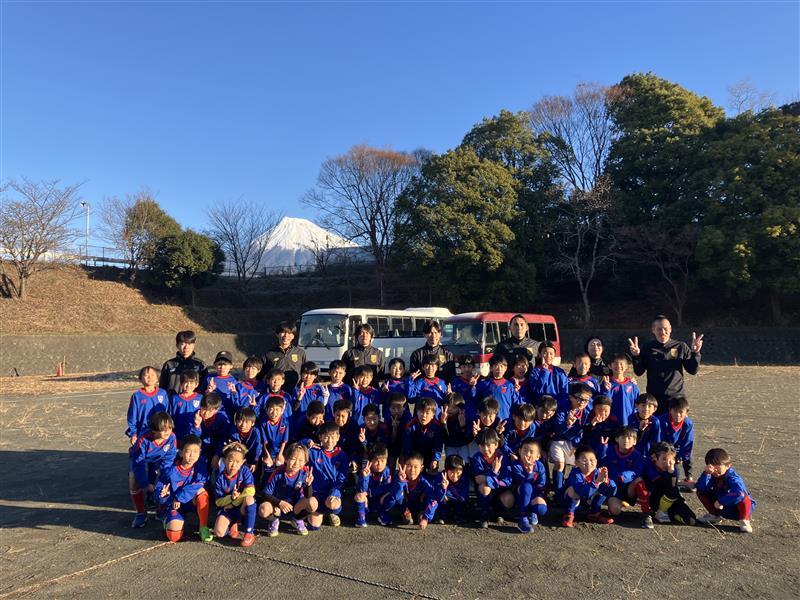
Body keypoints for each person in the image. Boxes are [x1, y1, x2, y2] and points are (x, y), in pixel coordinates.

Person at [628, 316, 703, 414]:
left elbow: (692, 370)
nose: (663, 332)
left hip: (676, 398)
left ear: (670, 329)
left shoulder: (680, 346)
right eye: (659, 329)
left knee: (676, 424)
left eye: (665, 329)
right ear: (653, 330)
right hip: (654, 399)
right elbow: (639, 372)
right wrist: (636, 356)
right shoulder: (647, 347)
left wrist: (695, 353)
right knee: (656, 424)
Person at [155, 434, 212, 543]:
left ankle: (203, 527)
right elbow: (159, 488)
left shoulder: (201, 465)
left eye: (196, 451)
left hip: (190, 501)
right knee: (174, 536)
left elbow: (198, 483)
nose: (192, 455)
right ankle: (166, 518)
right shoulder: (170, 469)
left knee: (201, 492)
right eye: (188, 451)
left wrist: (179, 498)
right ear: (181, 453)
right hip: (173, 504)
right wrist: (162, 495)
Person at [258, 443, 320, 536]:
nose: (296, 463)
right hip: (278, 507)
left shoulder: (304, 473)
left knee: (313, 502)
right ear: (286, 459)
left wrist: (308, 485)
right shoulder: (277, 473)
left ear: (305, 462)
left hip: (296, 506)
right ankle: (274, 520)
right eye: (293, 459)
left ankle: (297, 519)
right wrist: (280, 502)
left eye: (301, 460)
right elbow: (265, 494)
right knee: (263, 509)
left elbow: (308, 496)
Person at [129, 412, 177, 528]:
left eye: (169, 428)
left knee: (167, 479)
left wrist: (162, 479)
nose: (167, 431)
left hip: (160, 461)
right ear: (154, 430)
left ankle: (161, 510)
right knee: (133, 479)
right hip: (142, 460)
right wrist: (145, 484)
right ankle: (141, 513)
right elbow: (138, 463)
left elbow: (169, 460)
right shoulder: (143, 440)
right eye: (163, 429)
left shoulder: (172, 438)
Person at [599, 426, 653, 529]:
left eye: (629, 438)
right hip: (613, 488)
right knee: (615, 511)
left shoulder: (637, 455)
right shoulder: (609, 450)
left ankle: (646, 514)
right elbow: (599, 464)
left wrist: (624, 476)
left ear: (635, 441)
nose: (626, 440)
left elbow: (638, 471)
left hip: (629, 488)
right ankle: (608, 502)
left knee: (639, 481)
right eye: (623, 437)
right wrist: (601, 451)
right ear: (616, 439)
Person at [549, 382, 593, 499]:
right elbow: (557, 429)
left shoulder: (586, 411)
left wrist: (576, 445)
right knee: (560, 464)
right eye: (579, 398)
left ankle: (570, 492)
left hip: (573, 442)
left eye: (586, 400)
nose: (582, 402)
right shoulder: (563, 407)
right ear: (571, 397)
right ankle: (558, 495)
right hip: (558, 440)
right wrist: (567, 424)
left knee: (577, 466)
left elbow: (583, 431)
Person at [696, 448, 755, 533]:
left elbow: (738, 493)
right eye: (711, 465)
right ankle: (714, 516)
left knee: (743, 495)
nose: (714, 469)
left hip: (737, 509)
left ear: (728, 465)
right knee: (700, 492)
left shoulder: (733, 477)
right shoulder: (711, 475)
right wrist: (706, 474)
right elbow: (702, 488)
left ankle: (744, 520)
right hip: (721, 508)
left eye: (717, 465)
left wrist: (721, 501)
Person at [498, 438, 548, 533]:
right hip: (519, 493)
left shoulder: (540, 466)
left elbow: (541, 484)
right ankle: (522, 517)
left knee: (541, 509)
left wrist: (537, 493)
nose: (528, 454)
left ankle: (531, 512)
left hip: (534, 493)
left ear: (538, 456)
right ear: (520, 451)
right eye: (525, 450)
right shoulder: (515, 465)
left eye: (531, 452)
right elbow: (521, 482)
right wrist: (529, 473)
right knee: (527, 487)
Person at [642, 442, 697, 526]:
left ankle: (669, 513)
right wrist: (681, 482)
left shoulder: (673, 468)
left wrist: (671, 472)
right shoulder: (649, 466)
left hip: (671, 499)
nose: (667, 463)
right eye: (664, 459)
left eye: (671, 460)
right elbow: (662, 484)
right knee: (672, 490)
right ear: (654, 457)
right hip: (655, 497)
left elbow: (673, 486)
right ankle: (661, 512)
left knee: (691, 520)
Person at [213, 441, 257, 547]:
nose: (234, 465)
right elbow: (218, 501)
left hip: (241, 507)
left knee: (250, 499)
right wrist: (231, 498)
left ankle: (249, 533)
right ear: (224, 460)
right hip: (228, 509)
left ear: (243, 462)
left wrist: (234, 502)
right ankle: (232, 524)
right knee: (219, 533)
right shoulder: (220, 478)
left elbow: (251, 490)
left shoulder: (245, 471)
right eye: (231, 461)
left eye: (238, 462)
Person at [561, 445, 617, 527]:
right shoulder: (575, 474)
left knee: (603, 487)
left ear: (596, 462)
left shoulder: (597, 472)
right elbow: (582, 492)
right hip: (576, 502)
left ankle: (594, 514)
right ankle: (568, 515)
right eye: (584, 460)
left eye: (591, 460)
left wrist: (606, 481)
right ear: (576, 462)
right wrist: (597, 482)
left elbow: (613, 491)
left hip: (587, 501)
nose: (588, 463)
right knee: (572, 489)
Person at [307, 422, 350, 528]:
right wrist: (307, 441)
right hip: (317, 493)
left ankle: (332, 513)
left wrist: (334, 492)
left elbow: (342, 478)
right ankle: (322, 513)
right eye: (326, 437)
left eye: (333, 437)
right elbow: (297, 448)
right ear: (320, 437)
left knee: (332, 503)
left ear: (338, 437)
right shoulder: (313, 452)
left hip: (332, 492)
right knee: (314, 526)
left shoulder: (342, 455)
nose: (330, 441)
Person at [354, 442, 404, 527]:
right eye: (376, 461)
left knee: (399, 493)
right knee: (359, 496)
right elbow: (362, 490)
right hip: (368, 502)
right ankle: (361, 517)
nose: (379, 464)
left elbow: (389, 487)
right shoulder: (365, 471)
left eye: (382, 461)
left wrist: (400, 480)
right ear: (370, 461)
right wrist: (365, 477)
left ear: (386, 461)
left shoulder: (387, 471)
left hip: (380, 500)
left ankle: (382, 513)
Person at [471, 428, 509, 528]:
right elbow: (478, 479)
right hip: (485, 490)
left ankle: (498, 512)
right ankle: (484, 515)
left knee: (509, 498)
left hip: (500, 489)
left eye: (488, 445)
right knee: (485, 487)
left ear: (496, 444)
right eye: (482, 445)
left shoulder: (502, 458)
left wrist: (488, 478)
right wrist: (494, 472)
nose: (485, 449)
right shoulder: (477, 458)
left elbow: (507, 480)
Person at [656, 396, 695, 489]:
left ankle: (689, 476)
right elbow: (660, 440)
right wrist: (669, 454)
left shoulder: (688, 424)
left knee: (689, 454)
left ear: (686, 413)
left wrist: (680, 457)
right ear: (670, 410)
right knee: (672, 471)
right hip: (665, 447)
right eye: (675, 411)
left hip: (679, 446)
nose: (678, 414)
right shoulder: (662, 421)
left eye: (681, 412)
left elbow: (688, 443)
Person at [125, 366, 168, 446]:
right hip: (143, 432)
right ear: (140, 378)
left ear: (157, 378)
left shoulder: (163, 393)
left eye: (152, 375)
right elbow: (132, 417)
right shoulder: (137, 396)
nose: (149, 377)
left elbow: (168, 413)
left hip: (160, 431)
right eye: (146, 375)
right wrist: (133, 433)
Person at [397, 452, 440, 529]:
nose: (412, 470)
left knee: (430, 497)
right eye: (409, 466)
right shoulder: (399, 478)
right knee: (397, 492)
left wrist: (426, 518)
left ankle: (422, 514)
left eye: (416, 467)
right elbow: (394, 496)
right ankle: (405, 513)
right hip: (406, 506)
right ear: (404, 466)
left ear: (421, 468)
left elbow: (433, 499)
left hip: (420, 506)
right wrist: (401, 482)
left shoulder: (424, 481)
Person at [262, 321, 306, 392]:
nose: (286, 335)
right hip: (275, 392)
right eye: (283, 332)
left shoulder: (300, 353)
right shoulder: (269, 353)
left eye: (289, 333)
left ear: (293, 336)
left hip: (295, 391)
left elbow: (304, 372)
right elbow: (262, 374)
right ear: (277, 334)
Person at [159, 330, 206, 395]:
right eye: (183, 344)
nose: (186, 347)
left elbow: (204, 386)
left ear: (194, 345)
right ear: (177, 345)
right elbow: (162, 387)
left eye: (189, 344)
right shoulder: (169, 364)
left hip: (194, 400)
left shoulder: (200, 364)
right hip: (172, 399)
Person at [474, 354, 519, 422]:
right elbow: (475, 399)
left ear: (505, 368)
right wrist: (472, 386)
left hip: (505, 420)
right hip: (489, 420)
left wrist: (516, 392)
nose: (499, 369)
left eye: (501, 366)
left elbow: (515, 402)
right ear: (491, 368)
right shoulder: (484, 384)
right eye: (496, 366)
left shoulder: (509, 385)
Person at [403, 397, 443, 474]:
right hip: (415, 453)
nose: (424, 415)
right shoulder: (410, 425)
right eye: (421, 412)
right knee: (413, 471)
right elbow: (408, 446)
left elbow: (438, 445)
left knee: (433, 471)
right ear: (417, 412)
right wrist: (410, 460)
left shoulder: (436, 426)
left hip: (430, 453)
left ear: (433, 415)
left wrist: (435, 460)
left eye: (427, 413)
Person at [601, 354, 640, 426]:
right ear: (610, 366)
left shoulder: (632, 384)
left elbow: (637, 402)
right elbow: (603, 402)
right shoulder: (607, 383)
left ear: (626, 366)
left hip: (629, 420)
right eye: (615, 364)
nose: (619, 366)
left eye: (621, 364)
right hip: (612, 422)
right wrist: (606, 390)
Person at [528, 341, 569, 406]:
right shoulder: (535, 372)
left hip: (557, 407)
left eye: (551, 353)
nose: (548, 356)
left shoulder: (560, 372)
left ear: (554, 355)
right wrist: (544, 371)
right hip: (541, 408)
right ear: (540, 354)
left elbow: (565, 393)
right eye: (545, 353)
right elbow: (536, 390)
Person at [169, 369, 202, 442]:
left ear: (196, 384)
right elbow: (170, 416)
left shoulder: (200, 398)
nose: (188, 385)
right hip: (178, 434)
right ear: (181, 384)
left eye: (191, 382)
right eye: (185, 382)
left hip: (195, 434)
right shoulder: (174, 398)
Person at [203, 351, 239, 418]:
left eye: (225, 364)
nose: (222, 367)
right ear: (214, 365)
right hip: (209, 414)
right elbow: (200, 395)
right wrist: (208, 391)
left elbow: (236, 401)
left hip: (226, 415)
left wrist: (233, 392)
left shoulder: (234, 381)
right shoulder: (209, 378)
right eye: (219, 364)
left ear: (231, 366)